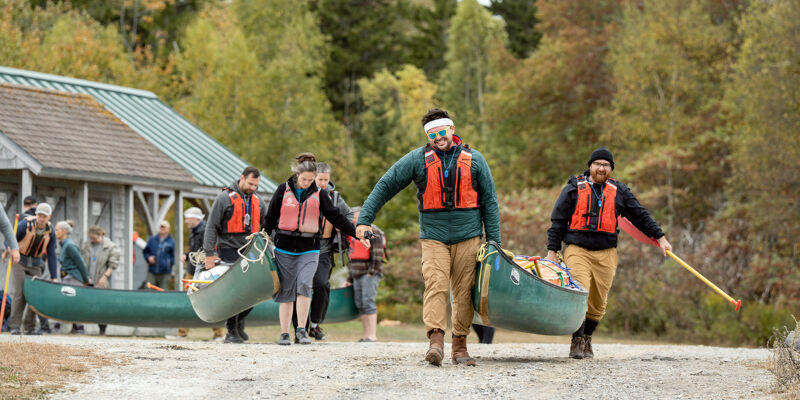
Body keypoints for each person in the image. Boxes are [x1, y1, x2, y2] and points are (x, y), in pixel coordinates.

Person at [355, 108, 501, 366]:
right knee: (436, 284)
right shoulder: (417, 159)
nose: (438, 137)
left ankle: (460, 345)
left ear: (452, 130)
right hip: (433, 236)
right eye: (432, 134)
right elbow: (385, 185)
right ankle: (435, 341)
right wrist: (364, 219)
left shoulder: (475, 160)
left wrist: (494, 242)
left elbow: (489, 201)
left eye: (441, 131)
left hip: (469, 237)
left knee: (464, 292)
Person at [546, 146, 672, 359]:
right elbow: (557, 221)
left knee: (598, 304)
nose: (601, 168)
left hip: (606, 253)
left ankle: (587, 337)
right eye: (598, 164)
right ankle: (576, 340)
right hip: (577, 250)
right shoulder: (573, 189)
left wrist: (660, 237)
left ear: (611, 168)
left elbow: (640, 216)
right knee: (580, 292)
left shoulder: (620, 191)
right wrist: (552, 250)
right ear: (590, 166)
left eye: (606, 165)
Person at [264, 156, 364, 346]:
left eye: (311, 180)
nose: (308, 184)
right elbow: (270, 218)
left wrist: (358, 233)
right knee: (286, 290)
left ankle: (302, 330)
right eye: (305, 180)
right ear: (297, 174)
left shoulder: (320, 194)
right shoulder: (282, 190)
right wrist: (262, 237)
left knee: (304, 286)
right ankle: (285, 333)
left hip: (310, 249)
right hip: (284, 248)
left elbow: (337, 217)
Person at [204, 166, 269, 344]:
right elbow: (211, 227)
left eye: (256, 185)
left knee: (253, 289)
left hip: (250, 250)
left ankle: (239, 322)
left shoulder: (258, 201)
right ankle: (232, 330)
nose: (253, 188)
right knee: (235, 291)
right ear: (241, 178)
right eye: (250, 184)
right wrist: (209, 253)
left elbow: (266, 226)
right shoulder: (224, 198)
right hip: (228, 249)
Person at [291, 161, 354, 341]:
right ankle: (299, 327)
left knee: (321, 284)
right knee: (300, 287)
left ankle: (316, 324)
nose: (323, 183)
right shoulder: (301, 194)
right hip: (302, 248)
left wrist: (340, 224)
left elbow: (349, 215)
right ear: (313, 178)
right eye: (320, 179)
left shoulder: (335, 198)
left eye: (326, 180)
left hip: (324, 250)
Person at [171, 208, 223, 341]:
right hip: (191, 271)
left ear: (196, 219)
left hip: (203, 272)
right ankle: (182, 333)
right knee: (186, 301)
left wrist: (189, 255)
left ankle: (218, 333)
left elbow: (205, 250)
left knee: (209, 300)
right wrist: (188, 255)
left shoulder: (205, 232)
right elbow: (195, 251)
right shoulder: (193, 232)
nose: (186, 221)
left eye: (188, 218)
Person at [9, 203, 56, 335]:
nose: (41, 218)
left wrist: (54, 276)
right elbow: (10, 237)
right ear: (36, 215)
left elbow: (51, 254)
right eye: (39, 215)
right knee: (21, 292)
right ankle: (14, 326)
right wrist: (10, 248)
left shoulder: (51, 231)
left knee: (35, 294)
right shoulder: (25, 225)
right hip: (19, 261)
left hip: (36, 263)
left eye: (44, 216)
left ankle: (29, 327)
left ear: (49, 217)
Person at [343, 207, 385, 343]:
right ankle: (366, 335)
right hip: (356, 274)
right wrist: (349, 278)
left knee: (368, 302)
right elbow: (351, 257)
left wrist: (371, 273)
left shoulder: (374, 231)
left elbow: (378, 255)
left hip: (368, 273)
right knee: (360, 304)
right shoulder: (353, 233)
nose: (353, 220)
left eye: (355, 217)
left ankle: (372, 335)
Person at [80, 225, 120, 336]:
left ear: (101, 235)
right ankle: (77, 327)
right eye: (91, 238)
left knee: (102, 305)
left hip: (101, 278)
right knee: (81, 302)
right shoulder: (86, 246)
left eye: (94, 238)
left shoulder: (110, 247)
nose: (92, 240)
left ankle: (102, 330)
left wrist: (105, 277)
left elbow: (113, 264)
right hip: (87, 278)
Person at [55, 220, 91, 334]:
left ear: (64, 231)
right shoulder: (63, 244)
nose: (54, 232)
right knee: (67, 301)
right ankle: (74, 327)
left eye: (57, 230)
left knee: (73, 302)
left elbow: (81, 263)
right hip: (67, 277)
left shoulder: (70, 245)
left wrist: (86, 279)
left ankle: (79, 327)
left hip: (74, 278)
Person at [143, 221, 175, 290]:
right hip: (152, 271)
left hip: (165, 273)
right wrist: (148, 258)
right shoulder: (152, 239)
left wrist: (170, 267)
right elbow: (145, 251)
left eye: (164, 227)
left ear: (168, 229)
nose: (162, 229)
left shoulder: (172, 241)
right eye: (161, 227)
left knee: (163, 291)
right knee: (148, 289)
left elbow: (173, 256)